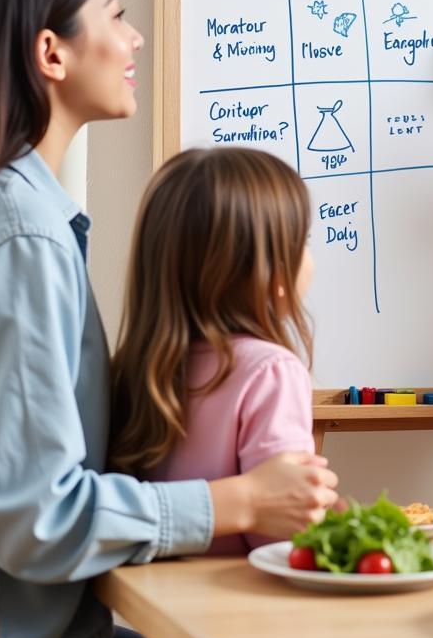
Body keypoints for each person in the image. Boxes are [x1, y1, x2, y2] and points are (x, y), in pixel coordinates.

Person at [0, 0, 338, 638]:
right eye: (116, 14)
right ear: (52, 53)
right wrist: (240, 499)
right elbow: (37, 523)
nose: (135, 40)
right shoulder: (21, 239)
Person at [109, 147, 319, 554]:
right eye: (304, 240)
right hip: (241, 610)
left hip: (156, 607)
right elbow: (282, 535)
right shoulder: (273, 371)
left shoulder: (135, 368)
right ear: (274, 274)